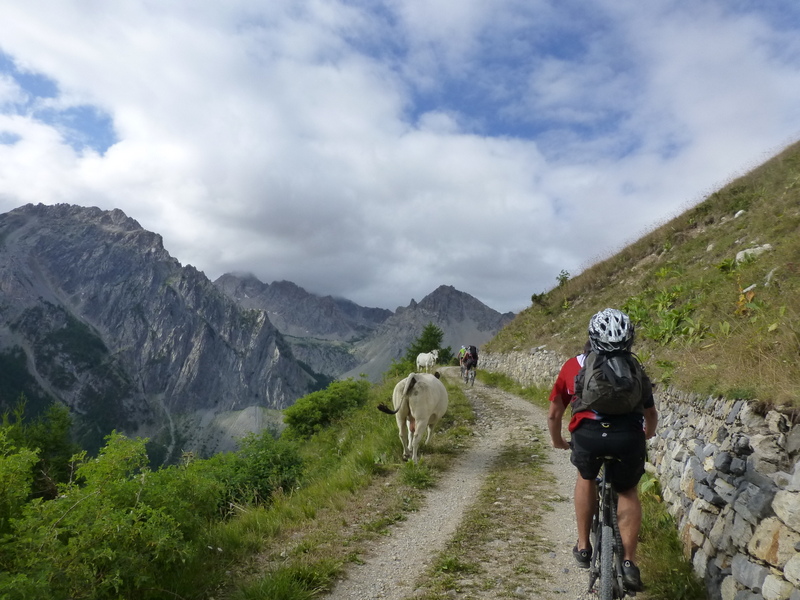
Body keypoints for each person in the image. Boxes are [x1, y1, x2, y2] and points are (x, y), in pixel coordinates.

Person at [547, 308, 658, 592]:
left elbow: (554, 413)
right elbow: (650, 414)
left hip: (589, 434)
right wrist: (646, 435)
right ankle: (630, 562)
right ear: (629, 339)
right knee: (628, 490)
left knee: (586, 478)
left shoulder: (574, 366)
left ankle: (584, 546)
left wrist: (558, 440)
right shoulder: (635, 368)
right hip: (627, 437)